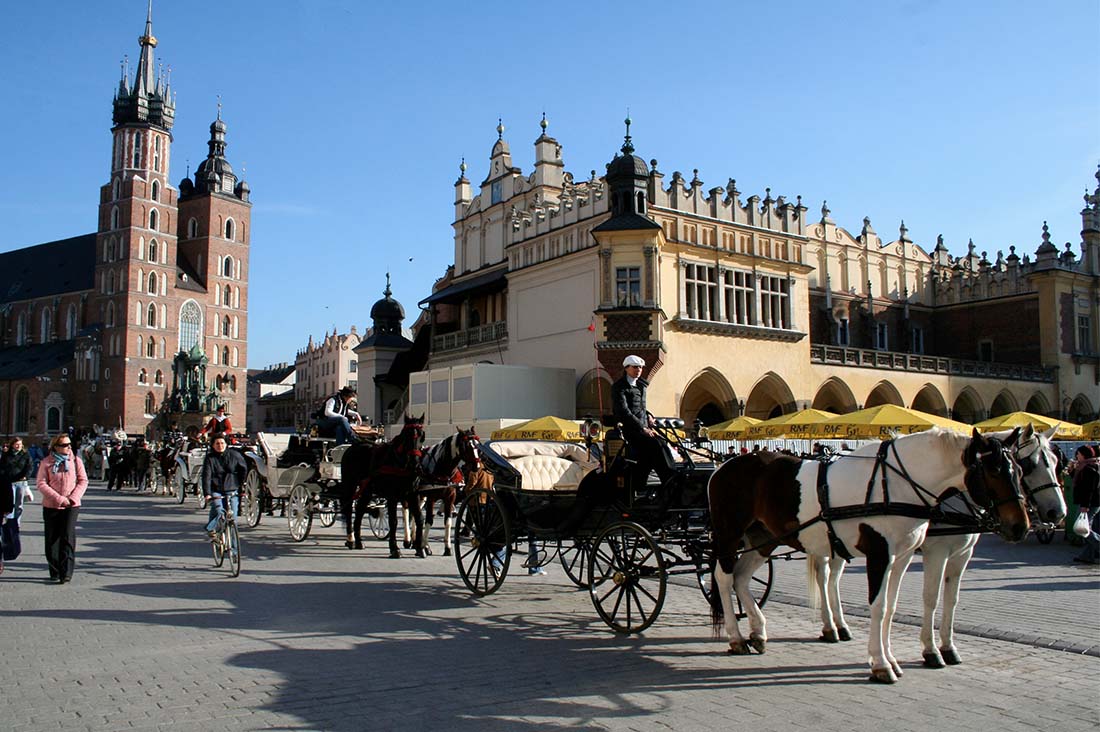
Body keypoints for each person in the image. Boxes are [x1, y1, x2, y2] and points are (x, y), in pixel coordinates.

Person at [611, 355, 676, 488]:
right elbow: (624, 411)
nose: (639, 370)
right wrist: (642, 428)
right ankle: (668, 478)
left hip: (642, 428)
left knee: (661, 443)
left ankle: (665, 478)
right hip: (629, 430)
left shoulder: (640, 385)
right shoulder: (619, 387)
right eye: (635, 367)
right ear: (627, 368)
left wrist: (648, 415)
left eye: (640, 367)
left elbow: (640, 408)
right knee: (656, 444)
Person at [36, 433, 88, 584]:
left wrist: (73, 497)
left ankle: (66, 572)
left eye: (70, 444)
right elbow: (41, 483)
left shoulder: (76, 461)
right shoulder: (46, 462)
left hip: (71, 505)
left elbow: (83, 480)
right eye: (65, 445)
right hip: (52, 505)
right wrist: (59, 499)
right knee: (52, 539)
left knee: (67, 536)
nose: (69, 447)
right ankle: (55, 569)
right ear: (56, 447)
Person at [200, 433, 248, 539]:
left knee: (233, 519)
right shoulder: (210, 458)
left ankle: (234, 553)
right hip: (216, 489)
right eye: (217, 443)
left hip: (232, 488)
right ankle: (211, 528)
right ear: (213, 445)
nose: (220, 445)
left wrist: (239, 483)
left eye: (222, 443)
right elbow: (206, 476)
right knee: (219, 510)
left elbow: (243, 469)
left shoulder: (234, 455)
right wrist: (207, 494)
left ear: (226, 444)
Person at [1070, 444, 1099, 565]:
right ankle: (1087, 555)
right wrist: (1072, 471)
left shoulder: (1089, 468)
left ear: (1083, 455)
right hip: (1091, 502)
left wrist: (1085, 506)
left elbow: (1088, 489)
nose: (1077, 456)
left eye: (1078, 454)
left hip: (1090, 503)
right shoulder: (1085, 467)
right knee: (1088, 528)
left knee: (1082, 529)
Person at [1, 438, 33, 525]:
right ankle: (9, 521)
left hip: (20, 482)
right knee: (10, 503)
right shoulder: (6, 455)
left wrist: (26, 476)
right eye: (16, 444)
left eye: (20, 444)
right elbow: (2, 467)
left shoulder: (26, 455)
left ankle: (17, 522)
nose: (18, 446)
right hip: (9, 482)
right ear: (12, 445)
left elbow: (30, 467)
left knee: (19, 504)